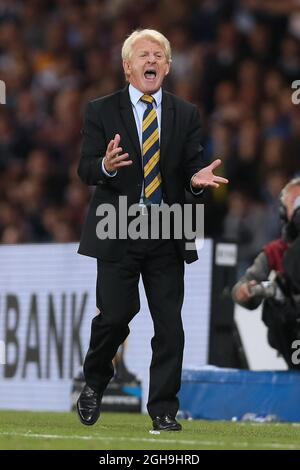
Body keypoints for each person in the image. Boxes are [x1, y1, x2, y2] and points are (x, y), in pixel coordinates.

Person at [76, 29, 228, 431]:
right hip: (117, 227)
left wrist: (197, 182)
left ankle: (163, 409)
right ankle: (94, 380)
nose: (152, 60)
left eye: (159, 55)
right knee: (116, 315)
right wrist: (106, 165)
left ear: (168, 67)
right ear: (128, 67)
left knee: (170, 325)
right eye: (144, 54)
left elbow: (192, 170)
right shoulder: (100, 110)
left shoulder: (186, 113)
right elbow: (85, 169)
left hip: (167, 226)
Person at [232, 177, 300, 369]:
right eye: (294, 204)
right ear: (282, 213)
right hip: (291, 331)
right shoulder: (274, 251)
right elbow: (243, 287)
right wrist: (245, 291)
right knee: (275, 298)